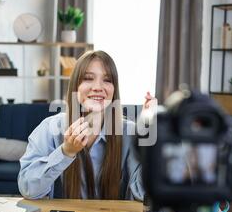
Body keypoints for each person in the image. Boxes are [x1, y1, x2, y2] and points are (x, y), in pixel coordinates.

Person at [18, 50, 156, 200]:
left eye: (107, 80)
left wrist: (151, 137)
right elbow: (28, 189)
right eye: (88, 78)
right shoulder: (49, 128)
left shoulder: (130, 133)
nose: (98, 87)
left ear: (114, 89)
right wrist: (65, 152)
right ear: (75, 86)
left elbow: (143, 195)